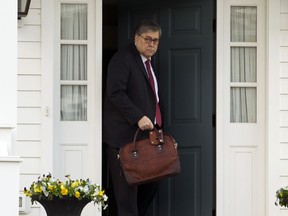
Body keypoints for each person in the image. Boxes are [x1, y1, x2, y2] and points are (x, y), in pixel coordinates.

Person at [103, 19, 162, 216]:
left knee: (150, 186)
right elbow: (115, 93)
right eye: (147, 39)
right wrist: (138, 116)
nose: (152, 44)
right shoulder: (123, 59)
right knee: (126, 196)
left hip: (145, 140)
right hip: (123, 141)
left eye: (155, 40)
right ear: (137, 38)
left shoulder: (148, 63)